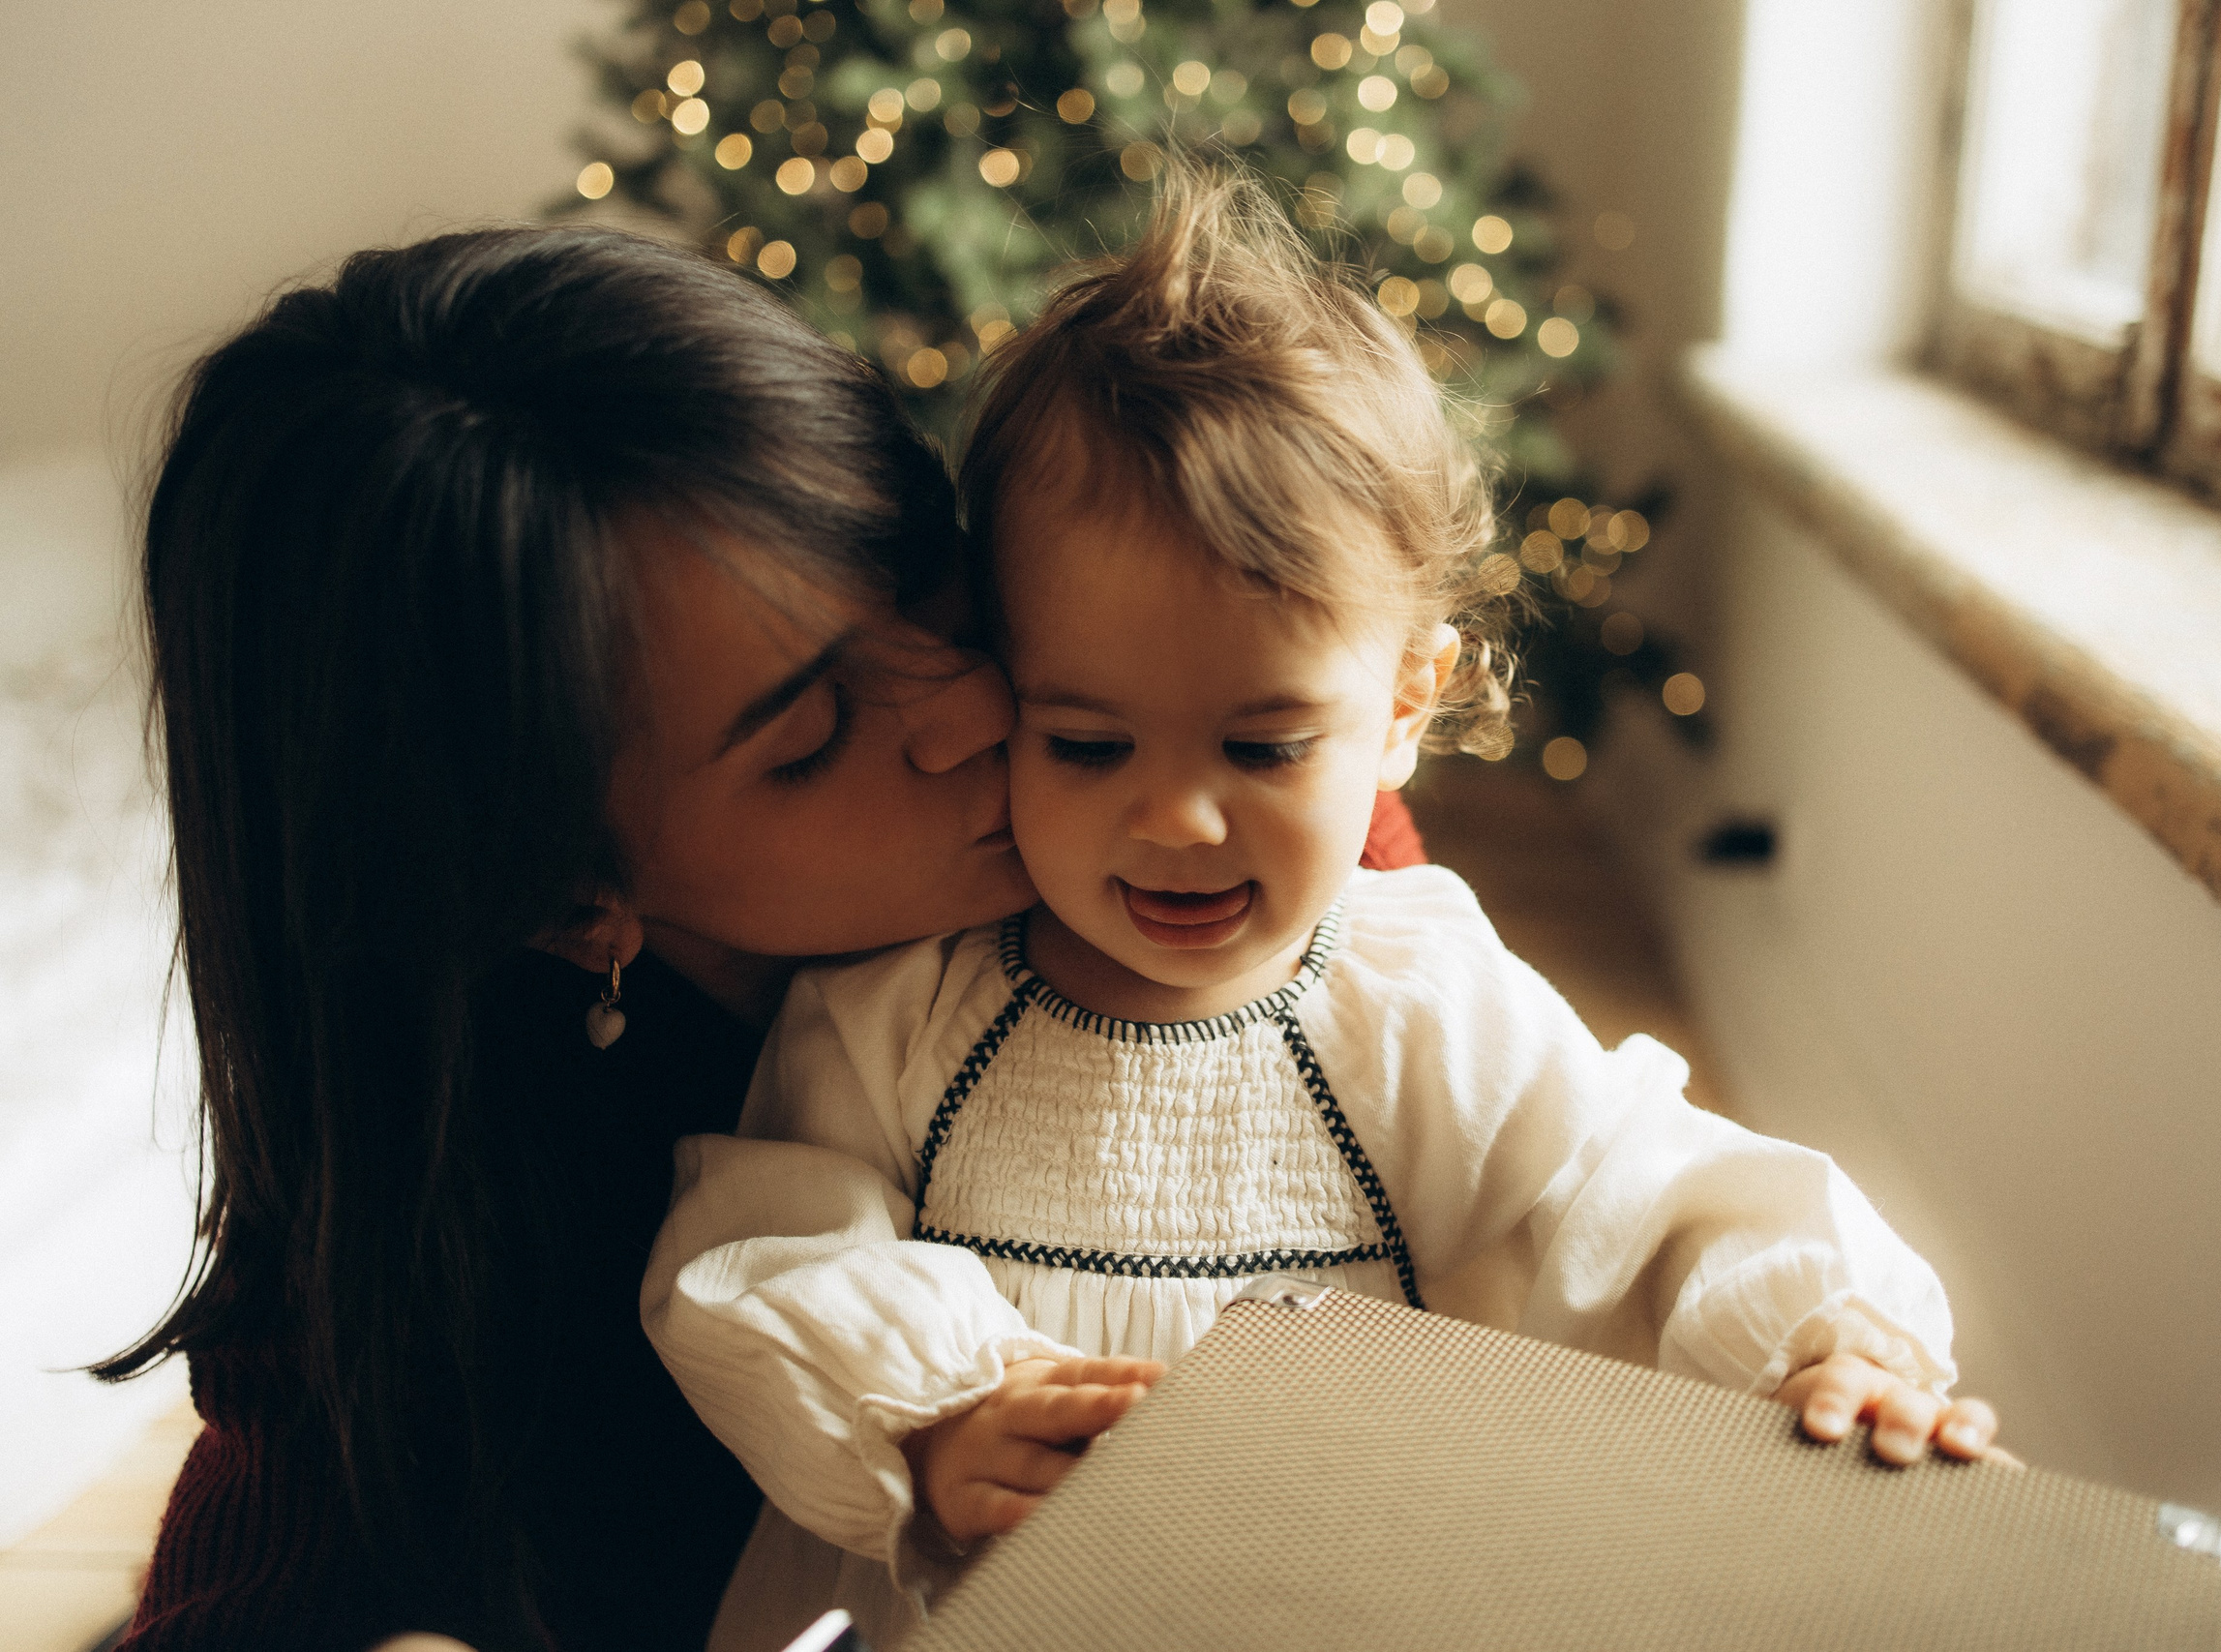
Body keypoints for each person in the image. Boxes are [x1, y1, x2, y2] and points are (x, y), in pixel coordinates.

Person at [642, 173, 2001, 1649]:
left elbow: (1657, 1193)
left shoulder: (1422, 1003)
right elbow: (759, 1253)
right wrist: (930, 1413)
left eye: (1264, 747)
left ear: (1408, 701)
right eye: (1087, 744)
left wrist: (1831, 1335)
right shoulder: (899, 1007)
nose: (1175, 820)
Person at [106, 223, 1438, 1651]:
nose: (981, 711)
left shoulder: (1235, 845)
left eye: (939, 587)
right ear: (572, 902)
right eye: (812, 735)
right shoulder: (428, 1225)